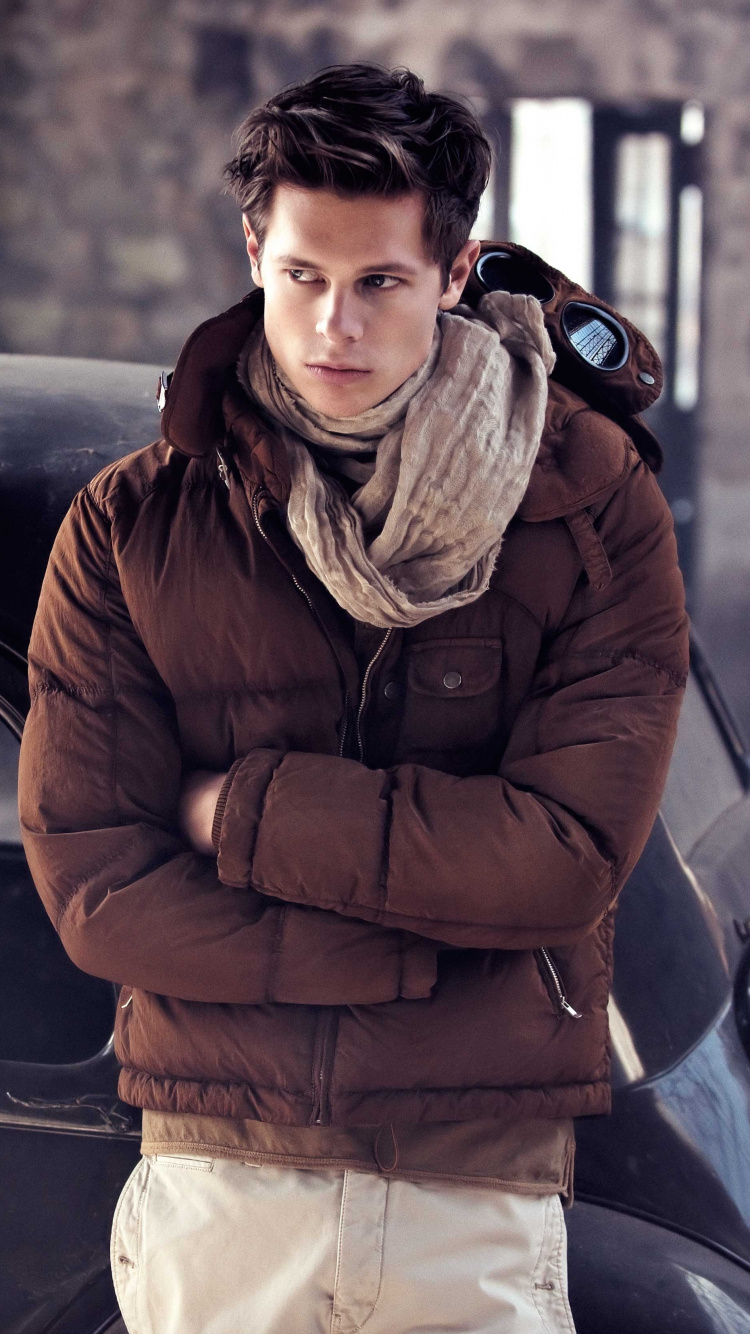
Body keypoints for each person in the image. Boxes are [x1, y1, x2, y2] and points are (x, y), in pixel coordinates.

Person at [18, 62, 689, 1334]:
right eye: (302, 275)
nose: (335, 324)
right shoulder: (132, 523)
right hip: (222, 1185)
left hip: (473, 1189)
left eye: (380, 281)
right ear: (253, 252)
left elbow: (561, 863)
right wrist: (420, 952)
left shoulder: (594, 509)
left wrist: (239, 813)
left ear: (455, 270)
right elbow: (99, 886)